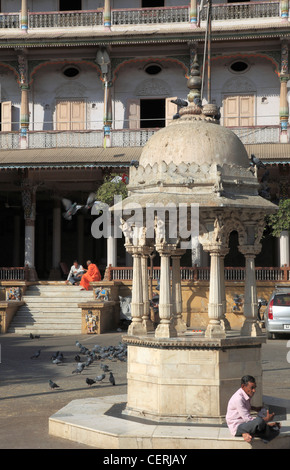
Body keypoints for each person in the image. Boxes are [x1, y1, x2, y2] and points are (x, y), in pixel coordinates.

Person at [226, 375, 281, 444]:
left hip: (245, 424)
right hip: (238, 426)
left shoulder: (245, 394)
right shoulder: (238, 399)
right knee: (259, 422)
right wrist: (266, 419)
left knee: (274, 430)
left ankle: (249, 432)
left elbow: (244, 407)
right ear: (243, 386)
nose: (254, 390)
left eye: (255, 388)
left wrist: (255, 408)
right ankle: (248, 431)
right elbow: (247, 419)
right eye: (252, 388)